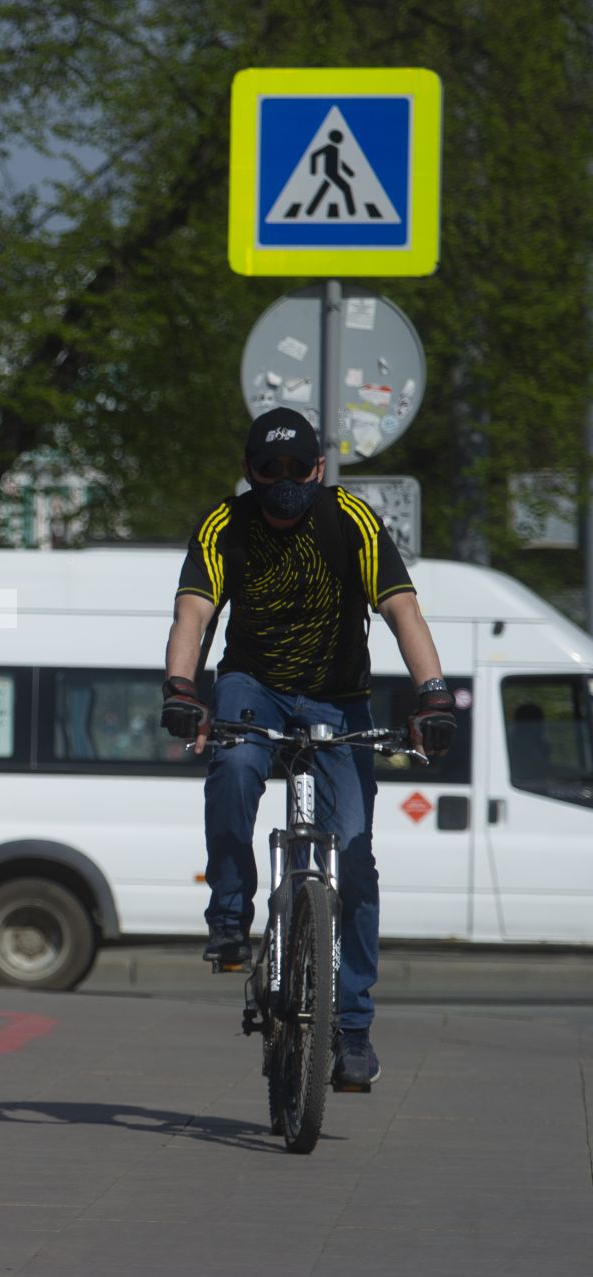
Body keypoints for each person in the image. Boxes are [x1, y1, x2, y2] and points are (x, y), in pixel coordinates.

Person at [160, 407, 457, 1092]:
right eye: (272, 470)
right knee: (234, 760)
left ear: (319, 469)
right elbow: (194, 614)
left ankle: (352, 1030)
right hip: (252, 684)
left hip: (339, 696)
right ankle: (231, 913)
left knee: (355, 856)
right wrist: (181, 685)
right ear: (250, 472)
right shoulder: (224, 526)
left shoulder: (349, 519)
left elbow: (402, 608)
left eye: (300, 469)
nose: (286, 482)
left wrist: (433, 694)